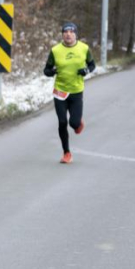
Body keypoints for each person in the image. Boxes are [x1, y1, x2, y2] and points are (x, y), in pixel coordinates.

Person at [43, 22, 96, 164]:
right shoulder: (55, 50)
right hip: (60, 91)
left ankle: (78, 123)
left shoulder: (84, 48)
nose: (68, 34)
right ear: (62, 34)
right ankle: (66, 153)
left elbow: (92, 65)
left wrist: (86, 70)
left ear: (75, 34)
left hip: (76, 91)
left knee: (74, 123)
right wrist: (52, 71)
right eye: (65, 32)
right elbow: (46, 70)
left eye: (71, 32)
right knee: (62, 122)